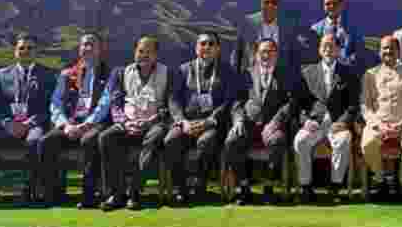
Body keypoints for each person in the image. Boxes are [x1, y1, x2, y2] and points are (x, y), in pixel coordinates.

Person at [96, 36, 179, 211]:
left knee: (156, 136)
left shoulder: (168, 73)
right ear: (135, 52)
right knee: (106, 137)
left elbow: (170, 104)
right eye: (141, 51)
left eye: (149, 52)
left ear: (156, 55)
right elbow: (116, 103)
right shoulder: (120, 72)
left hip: (154, 123)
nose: (144, 55)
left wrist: (150, 121)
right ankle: (115, 193)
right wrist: (125, 122)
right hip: (127, 123)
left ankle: (134, 192)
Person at [0, 35, 56, 207]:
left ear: (36, 52)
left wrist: (29, 123)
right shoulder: (2, 75)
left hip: (34, 124)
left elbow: (50, 106)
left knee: (35, 141)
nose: (25, 51)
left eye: (30, 48)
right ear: (15, 52)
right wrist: (7, 123)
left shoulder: (48, 75)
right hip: (6, 124)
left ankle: (30, 189)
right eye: (22, 48)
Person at [165, 33, 239, 206]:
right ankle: (180, 188)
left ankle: (200, 186)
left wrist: (209, 121)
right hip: (186, 123)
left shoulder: (227, 71)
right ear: (196, 48)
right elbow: (173, 99)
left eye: (211, 44)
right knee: (170, 140)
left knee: (207, 141)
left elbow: (229, 101)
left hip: (212, 124)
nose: (206, 47)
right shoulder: (183, 70)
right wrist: (182, 121)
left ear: (218, 49)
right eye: (202, 44)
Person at [38, 34, 111, 208]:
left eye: (91, 45)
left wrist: (86, 125)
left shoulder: (109, 74)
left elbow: (105, 104)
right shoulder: (67, 74)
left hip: (95, 124)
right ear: (79, 49)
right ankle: (54, 194)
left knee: (89, 140)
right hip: (70, 123)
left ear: (100, 49)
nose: (87, 48)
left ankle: (89, 195)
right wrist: (65, 125)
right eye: (84, 45)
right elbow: (55, 104)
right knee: (47, 141)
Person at [224, 38, 293, 205]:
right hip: (248, 125)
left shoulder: (285, 74)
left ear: (276, 54)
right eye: (263, 51)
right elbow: (236, 102)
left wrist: (276, 122)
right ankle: (244, 187)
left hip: (272, 126)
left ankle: (268, 187)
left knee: (277, 140)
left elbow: (291, 102)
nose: (266, 55)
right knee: (232, 141)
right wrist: (238, 121)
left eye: (270, 51)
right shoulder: (246, 74)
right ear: (256, 55)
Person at [293, 33, 359, 204]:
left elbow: (353, 104)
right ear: (319, 50)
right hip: (315, 123)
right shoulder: (307, 72)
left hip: (337, 124)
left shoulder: (349, 73)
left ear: (338, 50)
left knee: (344, 140)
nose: (328, 49)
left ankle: (336, 187)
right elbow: (298, 103)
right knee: (300, 140)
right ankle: (306, 187)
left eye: (332, 46)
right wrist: (305, 120)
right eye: (324, 46)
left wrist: (344, 122)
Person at [360, 35, 402, 200]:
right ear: (379, 51)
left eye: (392, 48)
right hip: (378, 124)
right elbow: (365, 106)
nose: (388, 51)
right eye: (384, 48)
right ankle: (380, 180)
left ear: (399, 51)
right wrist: (378, 125)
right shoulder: (370, 74)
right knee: (368, 142)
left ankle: (401, 183)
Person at [232, 0, 303, 84]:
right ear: (261, 4)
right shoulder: (247, 23)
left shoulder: (288, 25)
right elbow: (237, 55)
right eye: (266, 2)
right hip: (251, 81)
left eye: (274, 3)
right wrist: (235, 80)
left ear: (279, 5)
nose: (270, 6)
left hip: (280, 84)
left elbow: (294, 57)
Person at [310, 0, 359, 67]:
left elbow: (357, 55)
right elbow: (314, 57)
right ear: (323, 6)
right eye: (328, 4)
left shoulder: (353, 28)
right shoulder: (315, 29)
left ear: (341, 5)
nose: (331, 6)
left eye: (335, 3)